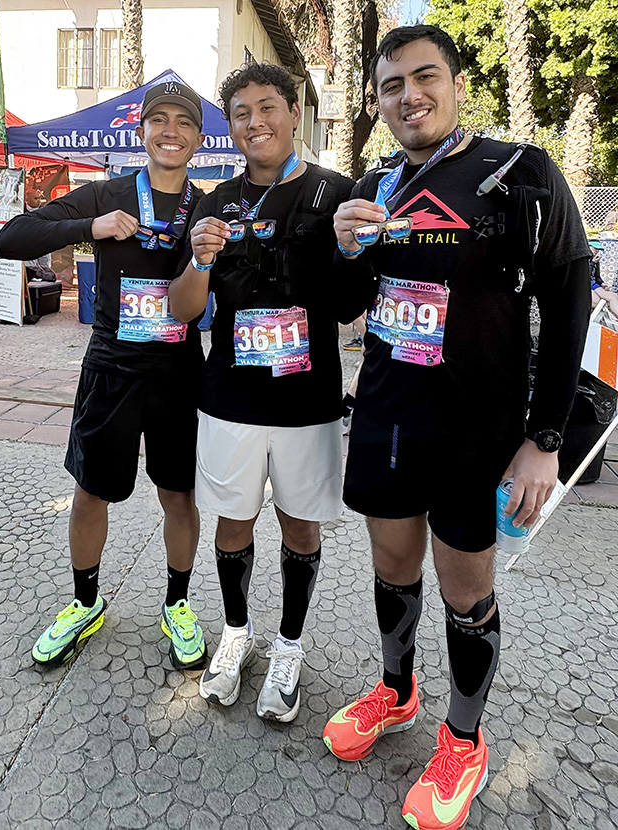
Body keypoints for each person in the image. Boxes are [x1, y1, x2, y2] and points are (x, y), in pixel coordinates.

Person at [321, 25, 591, 830]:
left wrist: (546, 438)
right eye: (391, 86)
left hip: (479, 427)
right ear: (378, 103)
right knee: (392, 563)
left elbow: (573, 293)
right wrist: (343, 249)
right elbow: (343, 306)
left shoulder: (520, 172)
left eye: (425, 76)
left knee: (464, 588)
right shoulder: (376, 184)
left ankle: (464, 739)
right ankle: (397, 692)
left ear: (457, 82)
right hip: (386, 415)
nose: (410, 96)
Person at [0, 81, 208, 671]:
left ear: (197, 136)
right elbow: (10, 238)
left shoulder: (211, 205)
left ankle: (178, 603)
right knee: (90, 490)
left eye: (182, 122)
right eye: (158, 120)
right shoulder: (105, 194)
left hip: (178, 371)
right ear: (141, 132)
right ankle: (85, 601)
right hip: (111, 367)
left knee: (179, 493)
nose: (170, 131)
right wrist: (91, 227)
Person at [169, 63, 354, 721]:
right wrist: (198, 260)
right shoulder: (214, 201)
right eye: (241, 112)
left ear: (293, 109)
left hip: (309, 402)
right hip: (231, 400)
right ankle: (237, 634)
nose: (256, 122)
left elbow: (353, 302)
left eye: (267, 107)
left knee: (301, 524)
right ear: (231, 125)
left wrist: (351, 248)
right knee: (233, 523)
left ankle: (290, 646)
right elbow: (183, 309)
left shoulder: (336, 192)